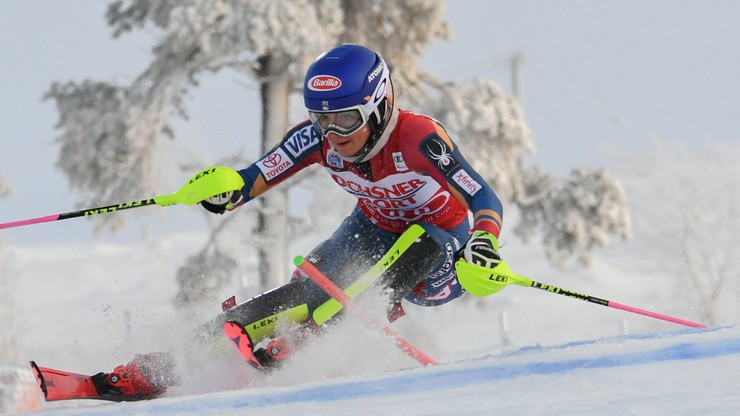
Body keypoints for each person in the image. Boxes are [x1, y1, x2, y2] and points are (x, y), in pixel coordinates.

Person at [44, 43, 505, 401]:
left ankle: (315, 335)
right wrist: (223, 192)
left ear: (379, 107)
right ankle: (149, 370)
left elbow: (482, 194)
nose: (333, 135)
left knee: (420, 241)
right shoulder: (318, 139)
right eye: (321, 119)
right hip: (373, 230)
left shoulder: (419, 137)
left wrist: (483, 243)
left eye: (345, 119)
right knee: (316, 282)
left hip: (443, 260)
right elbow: (253, 178)